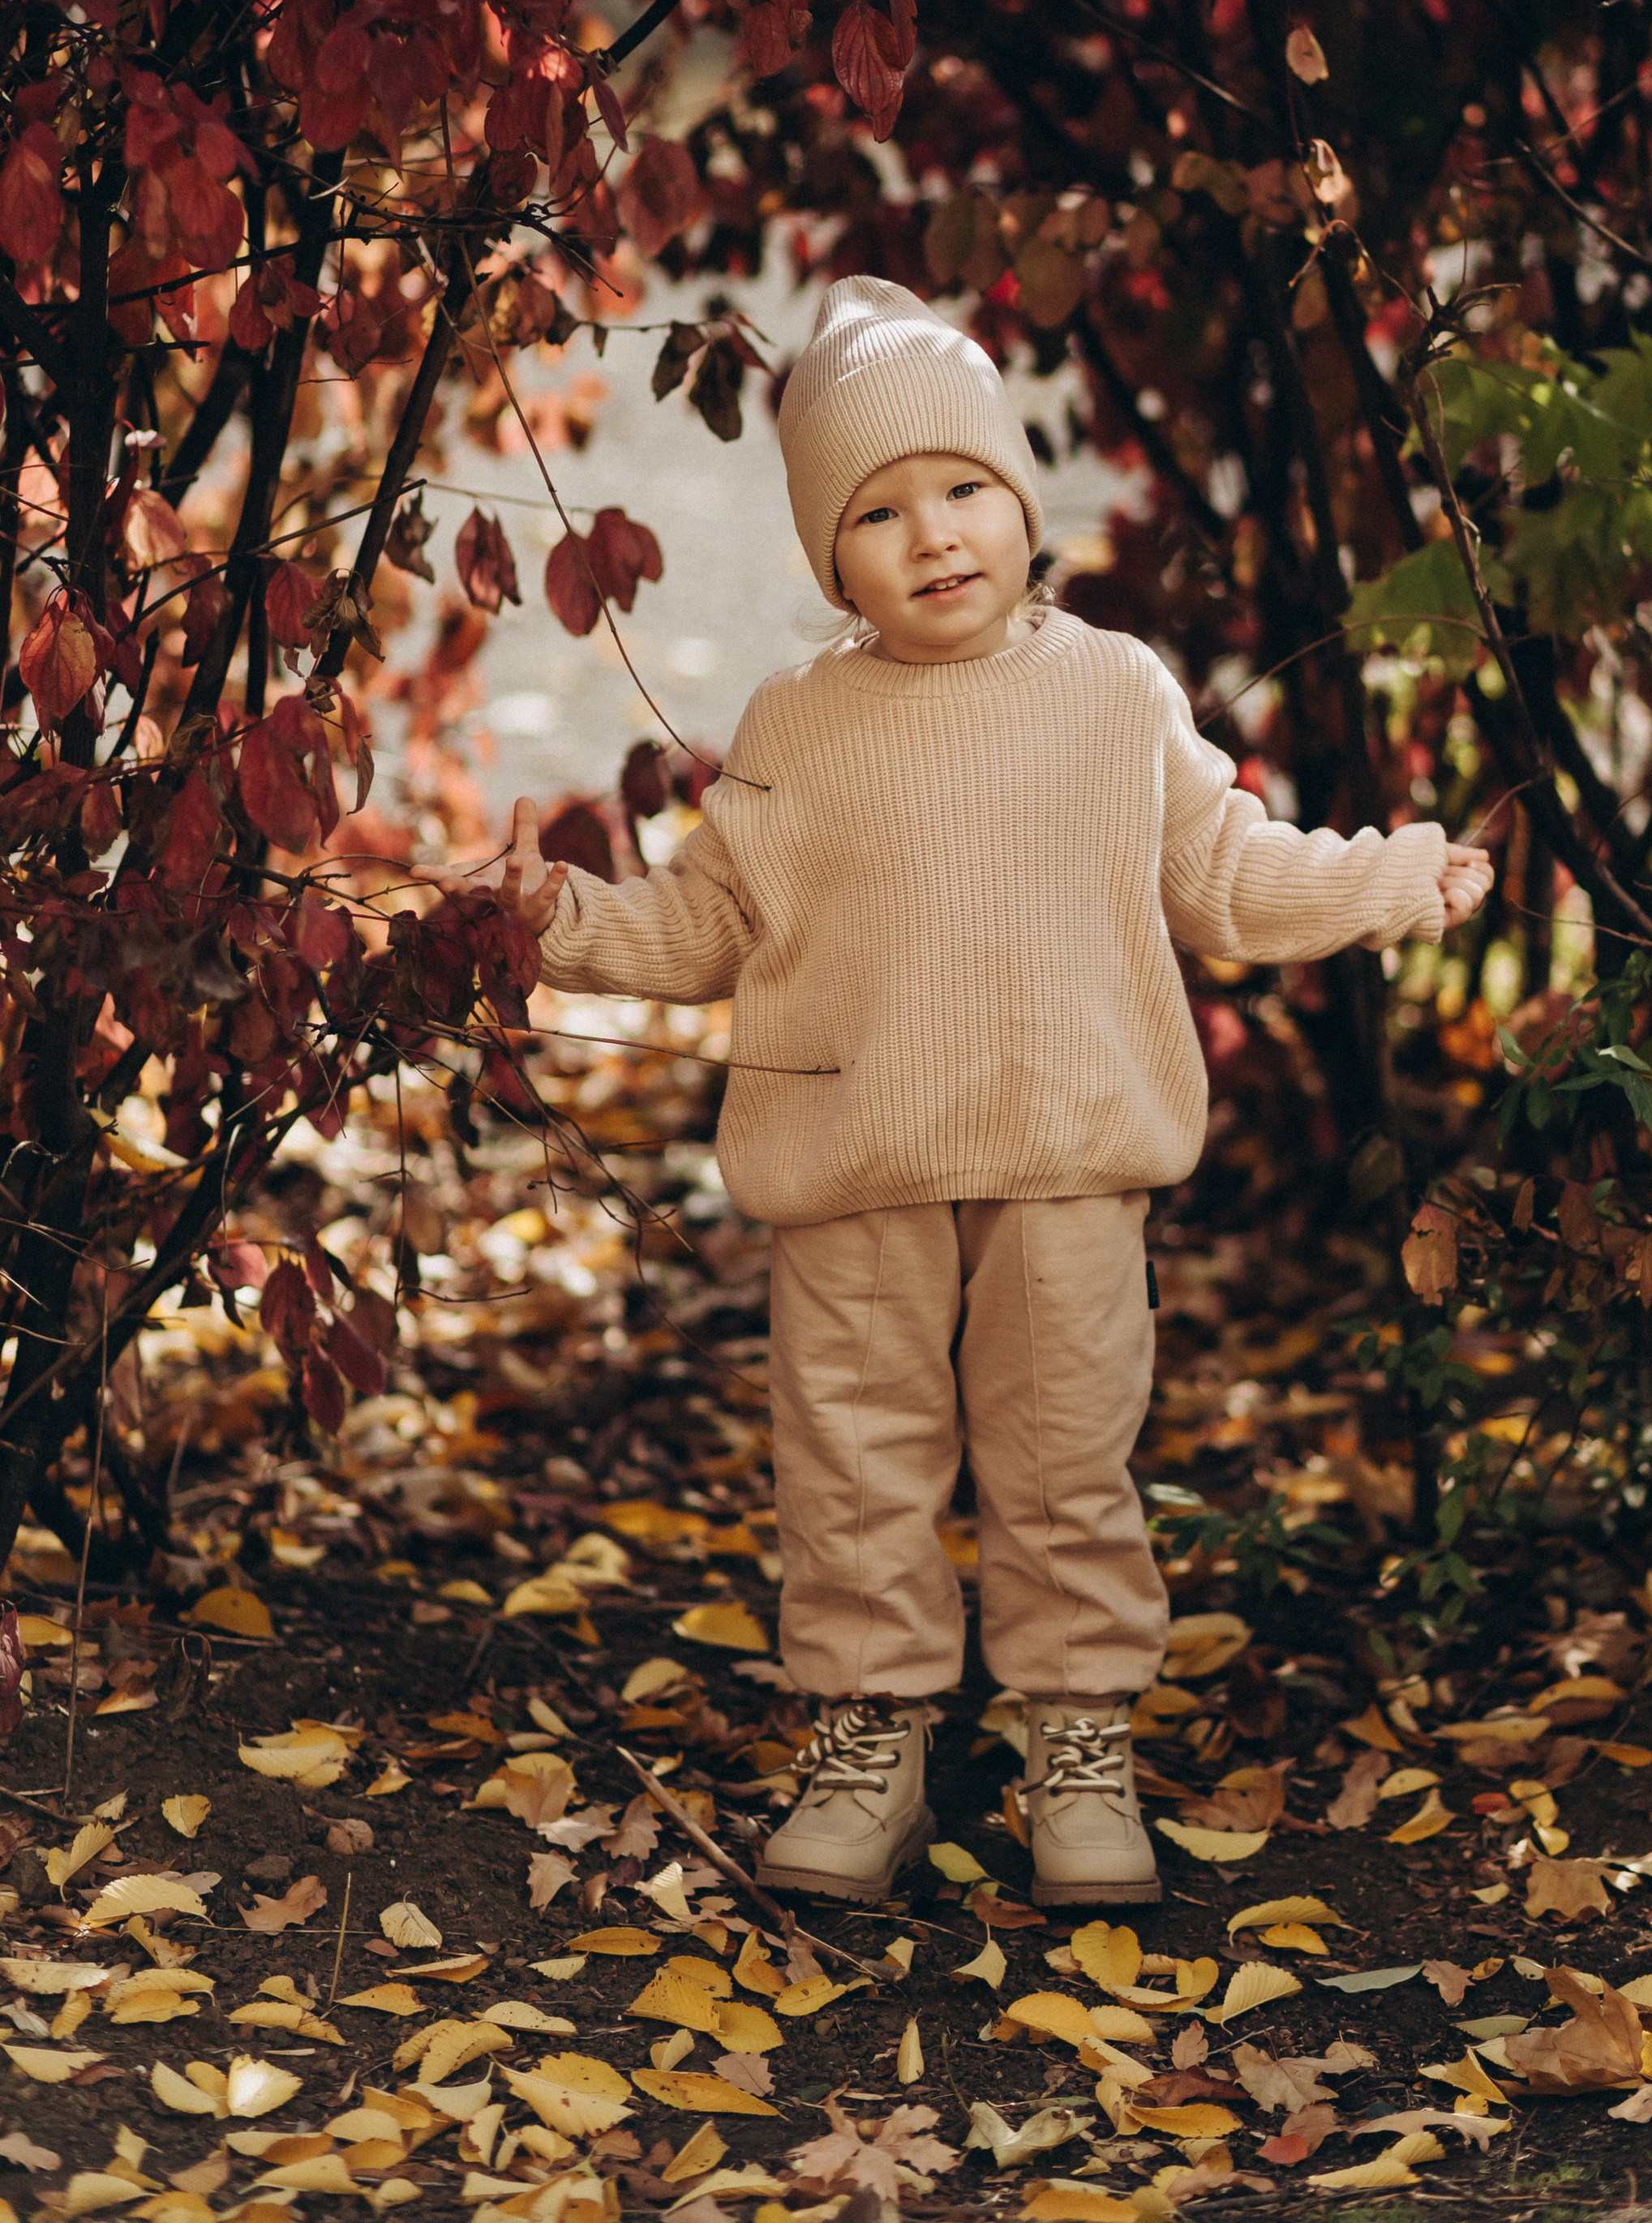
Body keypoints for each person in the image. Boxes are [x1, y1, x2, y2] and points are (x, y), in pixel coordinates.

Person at [485, 276, 1492, 1910]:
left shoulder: (1112, 693)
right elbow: (719, 921)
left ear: (1021, 505)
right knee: (858, 1459)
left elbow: (1229, 877)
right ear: (831, 555)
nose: (933, 533)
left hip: (1067, 1155)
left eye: (964, 488)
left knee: (1063, 1456)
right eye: (877, 512)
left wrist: (1391, 879)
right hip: (856, 1157)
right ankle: (870, 1736)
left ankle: (1077, 1737)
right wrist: (568, 924)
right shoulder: (802, 727)